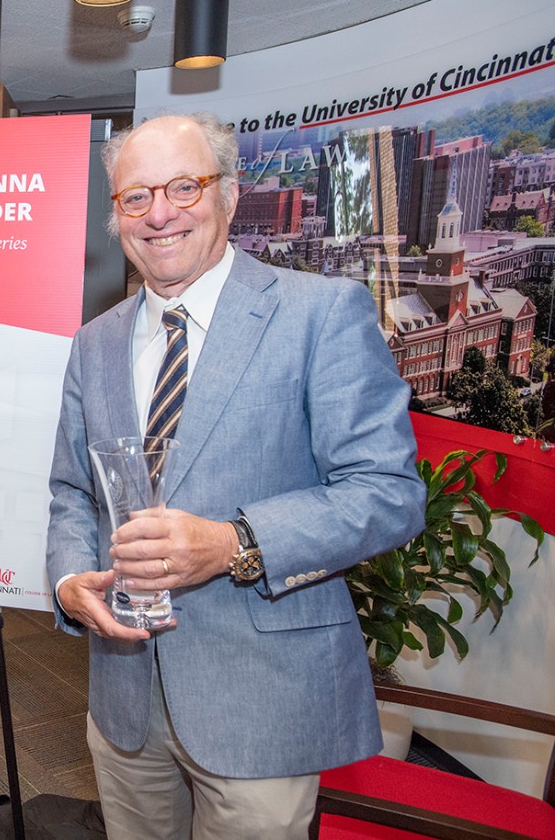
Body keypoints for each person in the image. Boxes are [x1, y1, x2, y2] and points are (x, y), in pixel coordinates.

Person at [44, 113, 425, 839]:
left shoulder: (320, 314)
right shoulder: (93, 343)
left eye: (183, 186)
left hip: (262, 702)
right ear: (115, 215)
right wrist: (68, 579)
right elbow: (70, 488)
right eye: (134, 197)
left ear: (228, 191)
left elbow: (389, 493)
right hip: (124, 696)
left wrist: (233, 543)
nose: (159, 213)